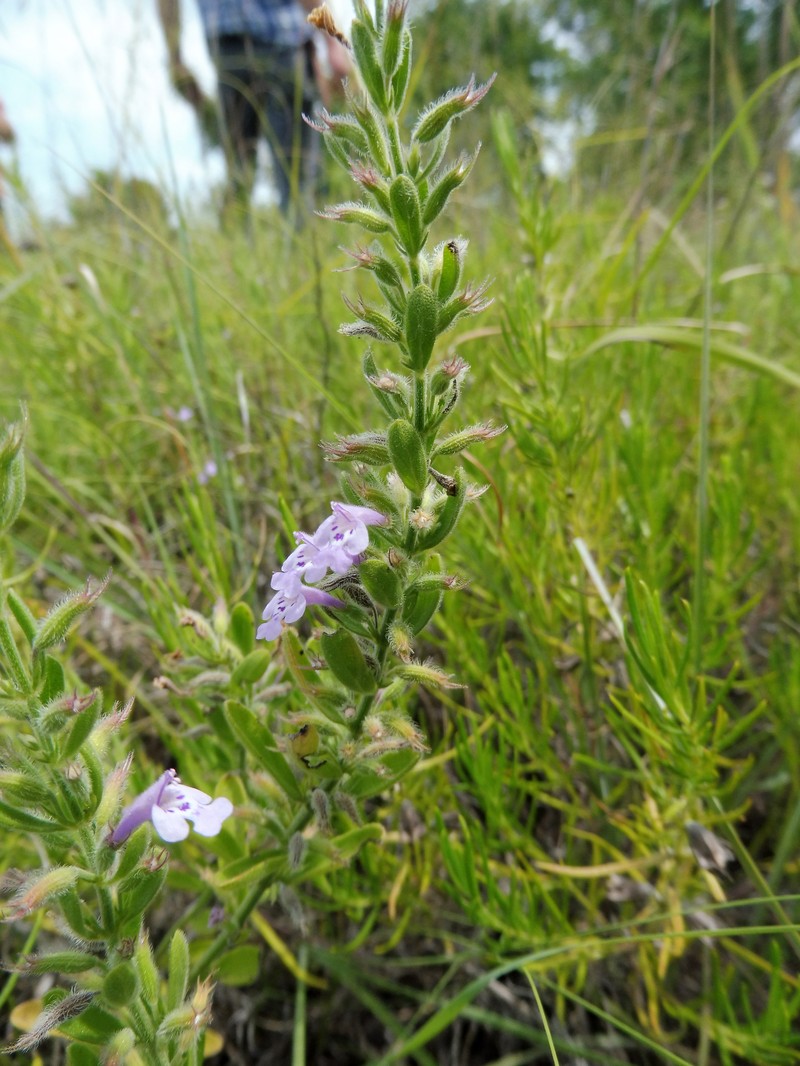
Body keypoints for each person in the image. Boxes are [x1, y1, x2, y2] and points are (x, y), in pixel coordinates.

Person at [156, 0, 350, 220]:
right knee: (295, 180)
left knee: (242, 177)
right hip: (280, 40)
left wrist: (174, 56)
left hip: (231, 46)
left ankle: (238, 244)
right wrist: (332, 41)